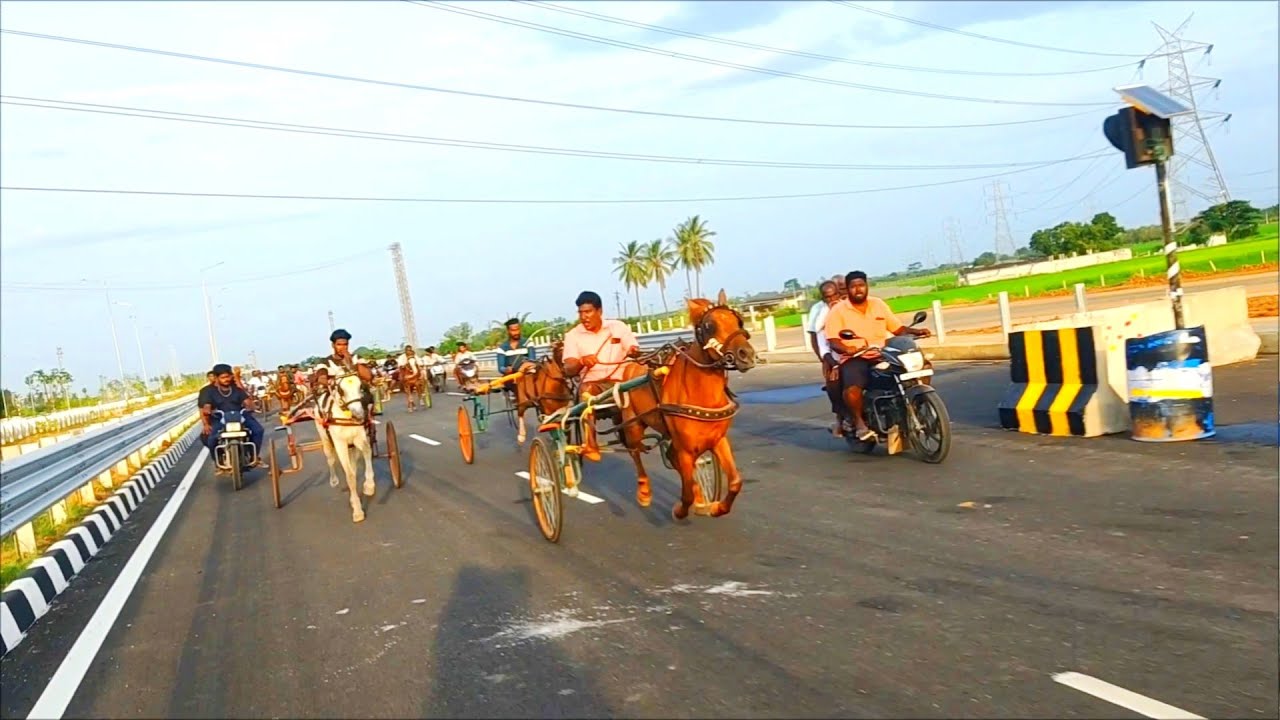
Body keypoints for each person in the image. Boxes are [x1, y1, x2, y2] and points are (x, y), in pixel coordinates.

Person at [824, 270, 931, 441]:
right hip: (856, 357)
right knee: (852, 388)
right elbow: (833, 340)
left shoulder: (878, 304)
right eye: (853, 286)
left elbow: (897, 329)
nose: (858, 289)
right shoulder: (838, 311)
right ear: (848, 289)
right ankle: (859, 423)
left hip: (882, 353)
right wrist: (846, 348)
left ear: (867, 286)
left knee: (922, 366)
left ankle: (916, 404)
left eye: (861, 285)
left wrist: (916, 331)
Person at [561, 290, 640, 461]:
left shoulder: (618, 327)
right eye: (581, 313)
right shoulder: (573, 335)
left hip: (623, 383)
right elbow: (568, 368)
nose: (584, 317)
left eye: (588, 312)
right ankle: (590, 443)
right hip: (595, 386)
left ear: (599, 311)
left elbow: (632, 348)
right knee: (587, 391)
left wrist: (633, 351)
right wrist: (582, 361)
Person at [198, 363, 265, 469]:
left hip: (240, 416)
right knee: (211, 439)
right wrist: (206, 419)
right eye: (223, 377)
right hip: (219, 418)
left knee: (258, 430)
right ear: (216, 378)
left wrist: (251, 406)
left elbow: (247, 401)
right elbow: (205, 406)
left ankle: (254, 456)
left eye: (228, 376)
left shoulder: (236, 389)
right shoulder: (207, 391)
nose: (227, 379)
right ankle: (218, 460)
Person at [808, 280, 846, 432]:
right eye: (827, 297)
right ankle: (841, 418)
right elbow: (815, 334)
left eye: (835, 294)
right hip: (833, 355)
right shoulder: (820, 311)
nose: (832, 299)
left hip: (859, 351)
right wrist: (825, 360)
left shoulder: (848, 305)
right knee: (834, 383)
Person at [323, 329, 375, 417]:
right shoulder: (326, 362)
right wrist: (329, 382)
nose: (342, 347)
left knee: (368, 395)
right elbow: (321, 378)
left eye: (345, 344)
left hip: (358, 394)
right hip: (336, 396)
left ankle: (368, 420)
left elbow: (368, 377)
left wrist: (351, 362)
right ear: (333, 345)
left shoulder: (356, 358)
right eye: (339, 345)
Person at [496, 317, 539, 391]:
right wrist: (506, 370)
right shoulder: (502, 348)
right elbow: (501, 368)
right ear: (508, 331)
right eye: (513, 330)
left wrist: (526, 366)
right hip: (512, 377)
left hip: (528, 374)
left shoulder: (528, 343)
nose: (516, 333)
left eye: (518, 329)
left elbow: (532, 360)